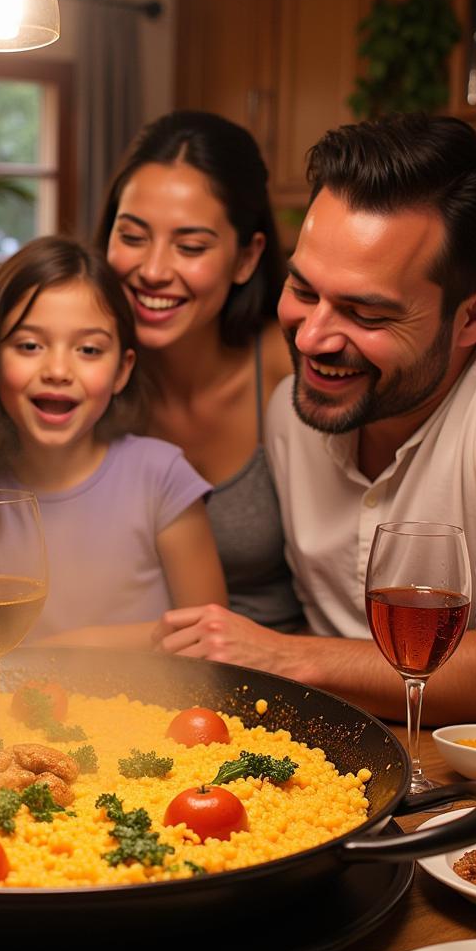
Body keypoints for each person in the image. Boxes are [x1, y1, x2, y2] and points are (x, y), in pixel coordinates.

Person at [152, 113, 476, 724]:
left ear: (475, 315)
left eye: (366, 314)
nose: (313, 338)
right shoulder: (294, 411)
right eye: (304, 290)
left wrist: (288, 658)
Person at [97, 110, 305, 633]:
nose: (153, 271)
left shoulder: (292, 372)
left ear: (246, 257)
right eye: (133, 236)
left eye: (190, 247)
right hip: (125, 684)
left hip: (282, 682)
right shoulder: (80, 377)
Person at [0, 235, 226, 646]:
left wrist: (66, 649)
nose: (58, 370)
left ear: (122, 370)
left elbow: (212, 639)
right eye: (30, 345)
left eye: (89, 349)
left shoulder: (161, 479)